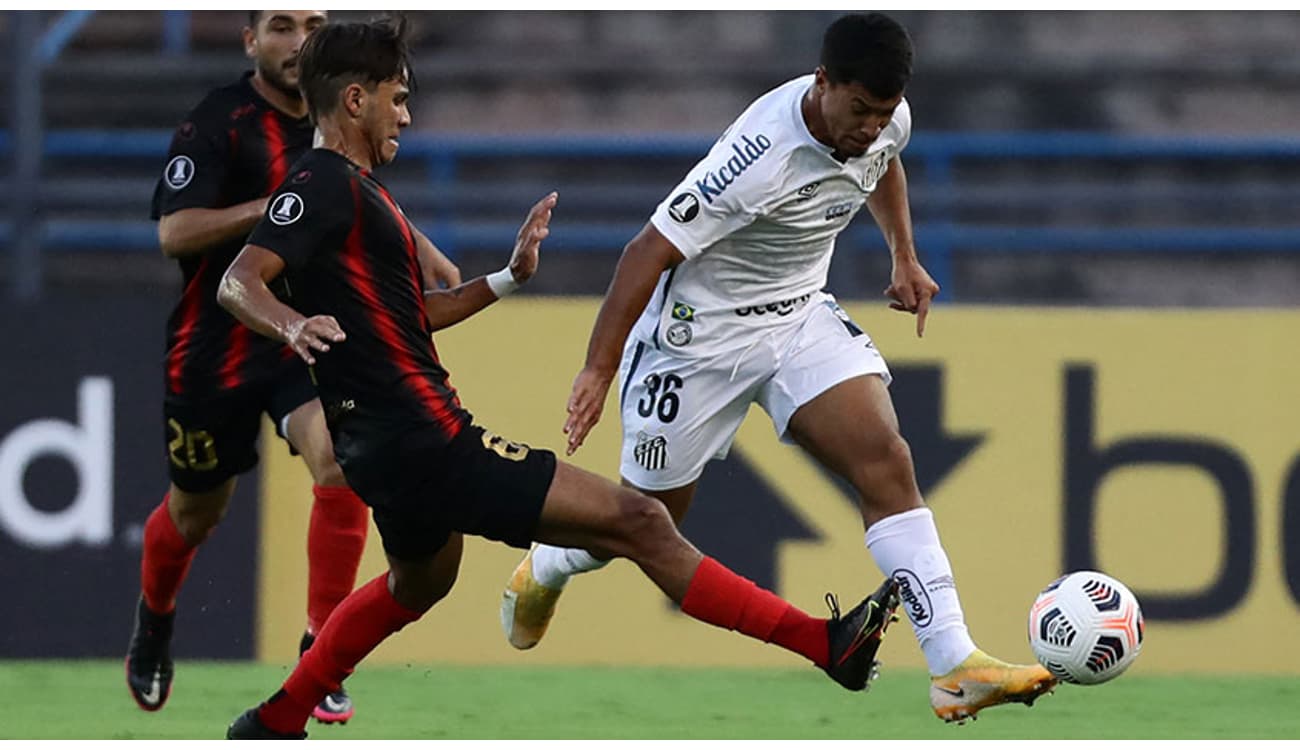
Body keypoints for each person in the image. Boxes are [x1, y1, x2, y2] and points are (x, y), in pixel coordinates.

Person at [215, 17, 901, 740]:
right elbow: (240, 280)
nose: (406, 115)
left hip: (382, 446)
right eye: (397, 97)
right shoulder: (322, 187)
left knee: (419, 583)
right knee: (640, 521)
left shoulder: (351, 191)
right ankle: (827, 647)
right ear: (355, 101)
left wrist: (507, 279)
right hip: (424, 441)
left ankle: (276, 720)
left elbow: (406, 317)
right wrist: (291, 327)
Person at [501, 13, 1055, 725]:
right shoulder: (757, 157)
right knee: (648, 522)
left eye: (883, 114)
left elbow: (883, 162)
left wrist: (902, 255)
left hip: (796, 319)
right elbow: (646, 251)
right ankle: (547, 565)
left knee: (887, 459)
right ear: (823, 83)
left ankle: (953, 665)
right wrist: (597, 371)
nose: (870, 127)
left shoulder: (887, 120)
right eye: (858, 111)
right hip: (696, 341)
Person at [127, 10, 460, 725]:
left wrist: (417, 245)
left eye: (312, 24)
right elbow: (174, 231)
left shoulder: (337, 125)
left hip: (300, 336)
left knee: (338, 461)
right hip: (215, 342)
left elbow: (342, 193)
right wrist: (275, 209)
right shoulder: (218, 122)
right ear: (250, 41)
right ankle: (155, 620)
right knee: (195, 513)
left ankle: (320, 647)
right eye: (280, 25)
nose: (297, 40)